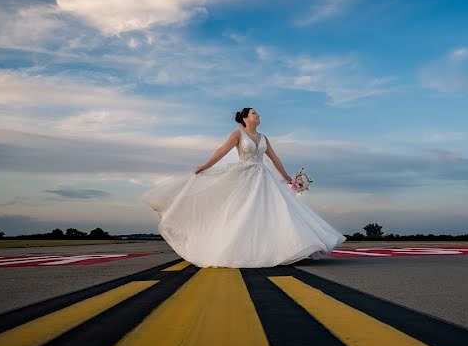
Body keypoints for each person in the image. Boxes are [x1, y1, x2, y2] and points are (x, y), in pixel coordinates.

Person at [141, 107, 346, 268]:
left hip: (263, 177)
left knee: (273, 212)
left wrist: (287, 179)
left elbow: (274, 159)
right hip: (244, 176)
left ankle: (286, 249)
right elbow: (222, 150)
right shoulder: (238, 134)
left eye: (258, 113)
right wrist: (205, 166)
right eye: (254, 113)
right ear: (246, 118)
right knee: (241, 213)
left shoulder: (264, 137)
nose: (258, 115)